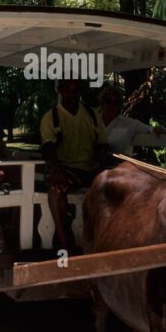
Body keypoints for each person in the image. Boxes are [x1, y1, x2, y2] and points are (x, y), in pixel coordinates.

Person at [40, 79, 113, 251]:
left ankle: (109, 238)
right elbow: (48, 149)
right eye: (67, 89)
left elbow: (102, 143)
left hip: (92, 170)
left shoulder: (93, 114)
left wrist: (104, 152)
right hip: (67, 169)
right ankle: (64, 239)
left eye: (76, 89)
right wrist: (57, 171)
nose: (72, 94)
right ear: (60, 89)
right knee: (56, 190)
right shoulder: (51, 117)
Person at [98, 85, 166, 152]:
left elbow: (149, 129)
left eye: (116, 103)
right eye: (108, 101)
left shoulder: (128, 123)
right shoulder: (93, 120)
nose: (112, 105)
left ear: (119, 106)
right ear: (102, 103)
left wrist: (157, 129)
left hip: (118, 162)